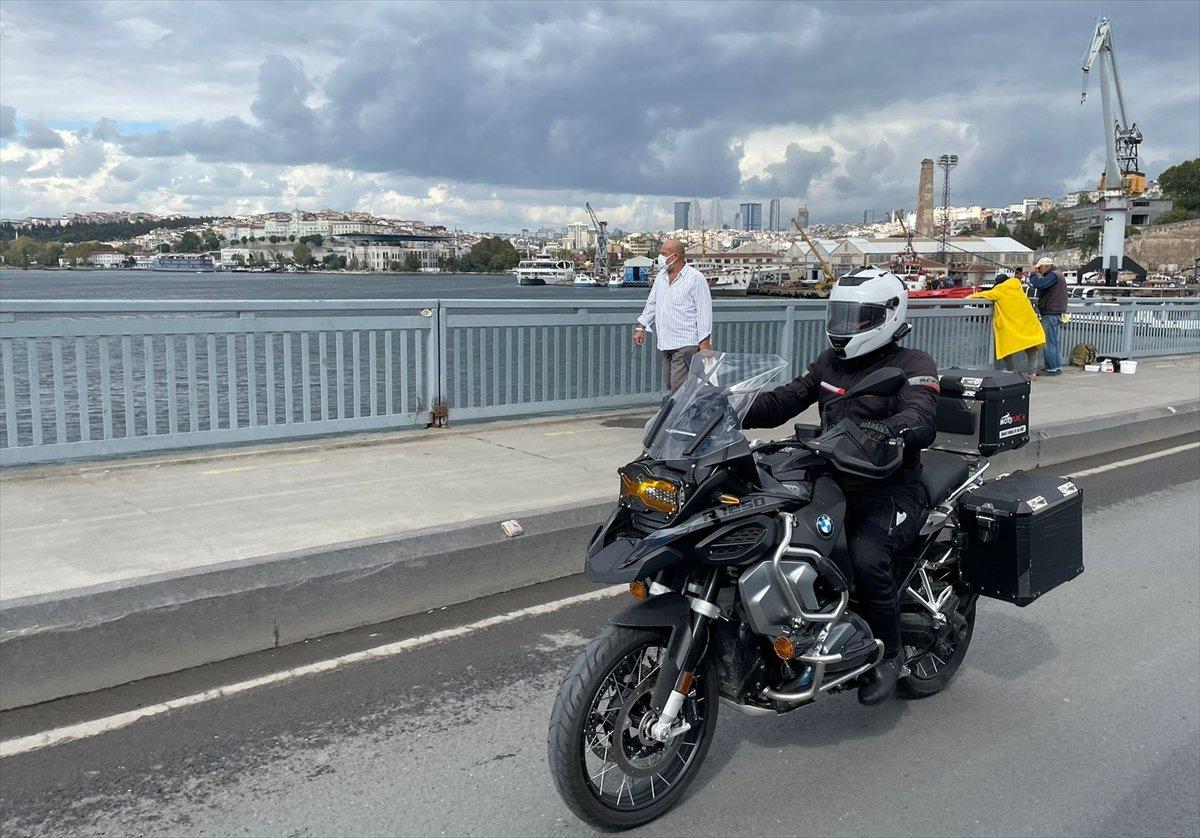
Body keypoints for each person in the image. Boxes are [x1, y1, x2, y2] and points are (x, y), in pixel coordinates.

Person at [743, 266, 939, 705]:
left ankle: (891, 657)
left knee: (867, 555)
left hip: (891, 485)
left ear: (889, 315)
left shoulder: (914, 364)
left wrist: (890, 432)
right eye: (841, 316)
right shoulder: (830, 362)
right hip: (833, 475)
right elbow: (784, 401)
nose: (846, 327)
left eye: (858, 317)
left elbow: (921, 416)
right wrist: (726, 408)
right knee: (778, 531)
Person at [633, 239, 713, 391]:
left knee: (678, 388)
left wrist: (704, 346)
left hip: (686, 342)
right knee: (670, 384)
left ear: (675, 256)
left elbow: (704, 313)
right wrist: (641, 327)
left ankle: (679, 414)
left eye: (663, 253)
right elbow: (652, 303)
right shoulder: (661, 277)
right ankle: (686, 411)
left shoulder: (695, 278)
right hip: (666, 342)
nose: (659, 257)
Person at [970, 272, 1044, 379]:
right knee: (1031, 345)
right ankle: (1032, 373)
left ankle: (1010, 370)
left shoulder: (999, 291)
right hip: (1029, 322)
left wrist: (968, 296)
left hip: (1012, 324)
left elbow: (981, 295)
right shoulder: (1018, 288)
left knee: (1005, 345)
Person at [1028, 257, 1067, 376]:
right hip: (1056, 312)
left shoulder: (1053, 275)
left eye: (1040, 268)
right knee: (1054, 342)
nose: (1039, 271)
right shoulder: (1058, 274)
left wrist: (1033, 274)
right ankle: (1056, 367)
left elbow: (1039, 284)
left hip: (1050, 312)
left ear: (1046, 266)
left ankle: (1051, 369)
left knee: (1049, 342)